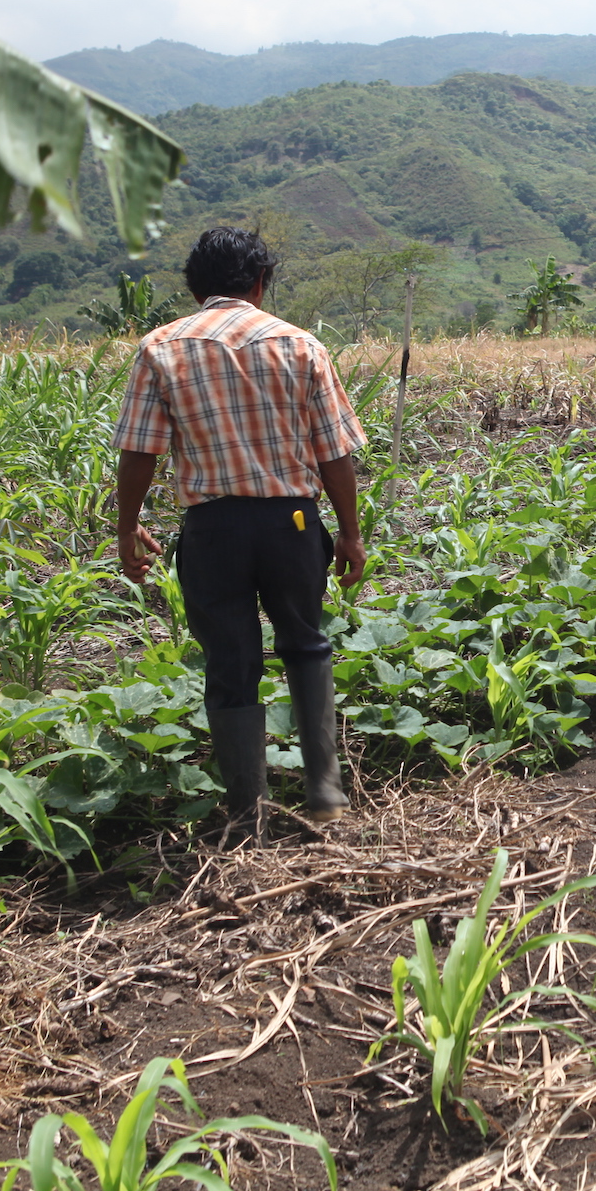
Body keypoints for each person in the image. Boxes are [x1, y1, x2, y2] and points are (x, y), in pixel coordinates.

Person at [111, 226, 367, 835]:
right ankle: (326, 795)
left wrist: (126, 528)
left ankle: (246, 812)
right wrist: (351, 533)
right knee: (306, 644)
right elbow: (334, 455)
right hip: (292, 520)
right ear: (259, 283)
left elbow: (139, 452)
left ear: (197, 287)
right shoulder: (300, 345)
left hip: (212, 527)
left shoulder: (160, 348)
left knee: (230, 663)